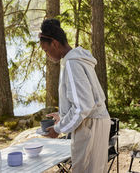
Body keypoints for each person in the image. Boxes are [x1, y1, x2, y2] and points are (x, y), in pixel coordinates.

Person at [38, 18, 110, 173]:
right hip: (95, 122)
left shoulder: (72, 63)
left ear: (55, 44)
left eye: (46, 50)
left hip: (90, 125)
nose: (47, 55)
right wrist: (62, 115)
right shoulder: (76, 59)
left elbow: (83, 105)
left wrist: (58, 128)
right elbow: (84, 98)